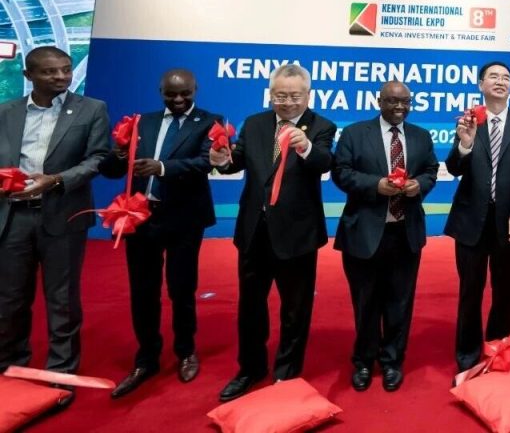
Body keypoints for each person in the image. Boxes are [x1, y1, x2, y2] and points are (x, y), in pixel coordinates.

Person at [210, 64, 336, 401]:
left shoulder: (321, 126)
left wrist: (305, 147)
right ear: (270, 94)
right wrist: (221, 160)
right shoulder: (255, 123)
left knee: (295, 309)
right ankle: (250, 368)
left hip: (297, 234)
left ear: (307, 95)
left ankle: (286, 373)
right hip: (254, 230)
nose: (287, 102)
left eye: (295, 96)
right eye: (280, 95)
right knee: (250, 306)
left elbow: (325, 162)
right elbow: (236, 161)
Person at [98, 69, 222, 398]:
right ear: (160, 91)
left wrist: (162, 167)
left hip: (184, 219)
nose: (178, 99)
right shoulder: (143, 122)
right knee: (143, 291)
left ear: (195, 89)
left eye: (185, 93)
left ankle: (186, 351)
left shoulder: (211, 121)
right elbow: (110, 170)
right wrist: (120, 154)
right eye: (171, 94)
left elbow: (205, 163)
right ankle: (146, 357)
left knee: (182, 289)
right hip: (140, 219)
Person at [0, 46, 111, 407]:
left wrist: (57, 180)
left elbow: (99, 158)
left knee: (62, 300)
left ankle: (60, 374)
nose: (62, 76)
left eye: (65, 69)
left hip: (63, 215)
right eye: (50, 72)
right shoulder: (6, 111)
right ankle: (11, 367)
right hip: (12, 216)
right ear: (29, 76)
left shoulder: (92, 109)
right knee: (10, 299)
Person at [332, 81, 438, 392]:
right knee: (366, 303)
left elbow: (431, 170)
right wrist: (375, 185)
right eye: (392, 101)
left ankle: (392, 361)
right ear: (379, 101)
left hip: (405, 232)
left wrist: (419, 185)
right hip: (363, 232)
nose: (399, 107)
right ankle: (364, 361)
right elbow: (341, 172)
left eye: (405, 102)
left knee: (400, 302)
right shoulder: (354, 133)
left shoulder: (421, 136)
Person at [445, 61, 510, 374]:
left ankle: (498, 351)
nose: (501, 81)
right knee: (470, 291)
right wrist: (465, 144)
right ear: (480, 84)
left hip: (508, 223)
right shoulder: (470, 120)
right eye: (494, 77)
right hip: (470, 220)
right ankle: (467, 356)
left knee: (504, 290)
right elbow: (454, 167)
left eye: (506, 77)